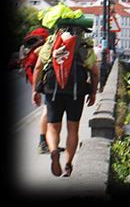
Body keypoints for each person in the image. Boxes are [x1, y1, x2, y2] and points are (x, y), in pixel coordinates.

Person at [32, 22, 99, 177]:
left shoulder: (51, 42)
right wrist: (93, 92)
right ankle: (68, 165)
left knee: (52, 127)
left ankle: (54, 150)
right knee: (73, 129)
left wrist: (35, 90)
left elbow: (38, 67)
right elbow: (94, 72)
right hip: (76, 91)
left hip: (52, 90)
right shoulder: (83, 45)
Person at [18, 27, 51, 154]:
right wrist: (36, 89)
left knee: (48, 110)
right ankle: (43, 142)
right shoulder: (40, 50)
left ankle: (48, 142)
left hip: (38, 81)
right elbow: (38, 68)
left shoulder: (32, 50)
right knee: (48, 110)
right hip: (43, 83)